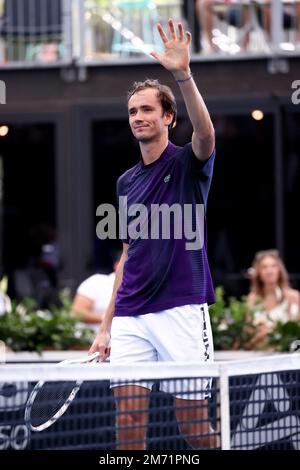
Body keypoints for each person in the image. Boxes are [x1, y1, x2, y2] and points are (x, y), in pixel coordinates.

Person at [89, 18, 218, 450]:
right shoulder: (125, 183)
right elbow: (126, 256)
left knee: (193, 426)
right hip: (130, 315)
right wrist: (106, 326)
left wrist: (182, 74)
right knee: (127, 424)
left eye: (147, 109)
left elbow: (206, 133)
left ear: (167, 117)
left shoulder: (188, 163)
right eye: (132, 111)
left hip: (181, 308)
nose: (138, 117)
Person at [246, 249, 300, 350]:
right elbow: (247, 334)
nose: (269, 270)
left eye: (273, 266)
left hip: (288, 353)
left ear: (279, 270)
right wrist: (258, 335)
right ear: (259, 272)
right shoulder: (252, 299)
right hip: (260, 353)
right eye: (264, 267)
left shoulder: (294, 296)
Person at [71, 250, 121, 334]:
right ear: (116, 265)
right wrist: (106, 319)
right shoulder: (96, 281)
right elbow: (76, 313)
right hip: (88, 341)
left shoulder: (143, 288)